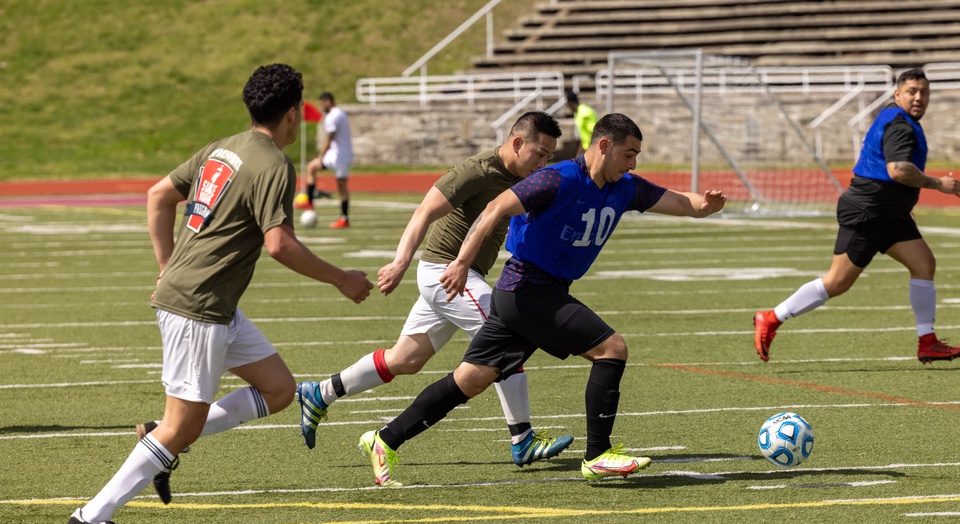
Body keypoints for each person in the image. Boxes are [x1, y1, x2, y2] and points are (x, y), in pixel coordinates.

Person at [63, 64, 374, 524]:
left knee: (277, 388)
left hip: (213, 304)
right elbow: (280, 246)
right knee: (180, 426)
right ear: (294, 115)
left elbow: (158, 196)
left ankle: (157, 436)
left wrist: (167, 265)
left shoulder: (222, 147)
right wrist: (342, 278)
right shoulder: (273, 164)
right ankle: (91, 517)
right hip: (199, 308)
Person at [355, 113, 726, 487]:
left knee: (471, 379)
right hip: (528, 289)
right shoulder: (557, 177)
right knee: (612, 349)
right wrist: (463, 262)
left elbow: (679, 203)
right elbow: (494, 209)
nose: (633, 163)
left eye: (637, 156)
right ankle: (598, 454)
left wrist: (704, 206)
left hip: (529, 294)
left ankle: (385, 438)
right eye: (629, 153)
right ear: (603, 146)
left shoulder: (625, 187)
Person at [296, 112, 575, 466]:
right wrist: (399, 262)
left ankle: (321, 393)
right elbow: (423, 212)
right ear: (517, 143)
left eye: (549, 156)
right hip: (444, 273)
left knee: (406, 359)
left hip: (459, 279)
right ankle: (523, 438)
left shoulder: (521, 177)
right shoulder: (476, 170)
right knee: (507, 336)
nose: (542, 163)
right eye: (539, 153)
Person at [753, 68, 960, 365]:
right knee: (837, 282)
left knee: (924, 264)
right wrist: (937, 184)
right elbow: (898, 170)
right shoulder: (900, 126)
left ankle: (927, 342)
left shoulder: (894, 116)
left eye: (924, 92)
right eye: (912, 91)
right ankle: (771, 317)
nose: (919, 97)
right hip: (868, 213)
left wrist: (902, 205)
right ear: (897, 94)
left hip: (889, 213)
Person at [296, 91, 354, 229]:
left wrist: (321, 155)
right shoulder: (338, 113)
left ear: (328, 101)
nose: (321, 106)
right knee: (311, 167)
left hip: (340, 155)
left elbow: (330, 138)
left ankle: (344, 218)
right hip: (336, 154)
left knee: (342, 188)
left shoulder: (334, 115)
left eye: (322, 103)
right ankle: (310, 201)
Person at [566, 91, 598, 155]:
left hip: (593, 149)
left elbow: (594, 132)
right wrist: (579, 153)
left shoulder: (585, 112)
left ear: (569, 103)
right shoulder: (578, 114)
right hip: (587, 149)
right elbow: (584, 137)